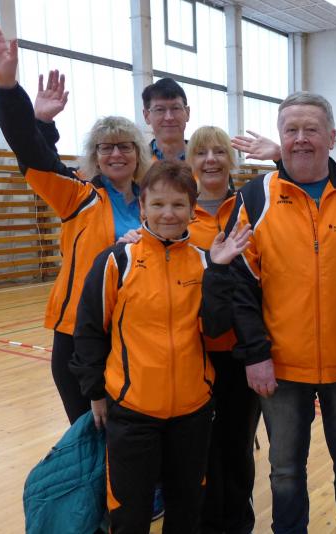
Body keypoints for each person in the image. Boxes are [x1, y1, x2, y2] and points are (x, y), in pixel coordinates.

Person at [0, 19, 151, 424]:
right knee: (89, 437)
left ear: (138, 153)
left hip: (137, 331)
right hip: (78, 336)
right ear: (95, 155)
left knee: (132, 438)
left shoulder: (155, 204)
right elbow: (33, 153)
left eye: (125, 146)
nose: (116, 154)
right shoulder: (78, 196)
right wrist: (8, 90)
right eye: (105, 147)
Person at [229, 91, 336, 533]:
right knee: (284, 471)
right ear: (280, 138)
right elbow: (240, 286)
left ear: (331, 137)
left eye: (311, 129)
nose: (300, 139)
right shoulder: (254, 198)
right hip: (279, 368)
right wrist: (255, 354)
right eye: (291, 130)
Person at [71, 159, 253, 534]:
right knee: (130, 514)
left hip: (193, 413)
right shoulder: (116, 261)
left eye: (178, 204)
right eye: (158, 204)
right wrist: (95, 392)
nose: (168, 214)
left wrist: (219, 271)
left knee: (186, 512)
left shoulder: (205, 263)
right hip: (132, 411)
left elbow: (216, 329)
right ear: (142, 207)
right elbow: (88, 330)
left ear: (192, 209)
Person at [187, 127, 262, 534]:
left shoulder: (252, 204)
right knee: (199, 446)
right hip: (193, 351)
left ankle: (237, 523)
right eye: (202, 153)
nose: (211, 159)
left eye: (219, 151)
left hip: (239, 351)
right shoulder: (180, 211)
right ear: (191, 161)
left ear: (231, 160)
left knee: (237, 443)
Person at [142, 78, 191, 161]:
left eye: (175, 108)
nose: (169, 117)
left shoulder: (206, 161)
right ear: (146, 116)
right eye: (160, 109)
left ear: (187, 113)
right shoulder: (137, 162)